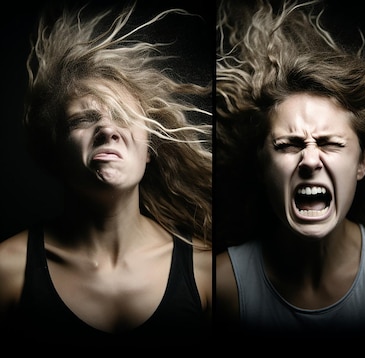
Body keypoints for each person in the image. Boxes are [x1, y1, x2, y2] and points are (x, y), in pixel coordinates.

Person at [0, 1, 212, 347]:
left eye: (124, 117)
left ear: (149, 151)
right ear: (56, 151)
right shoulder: (8, 270)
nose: (107, 130)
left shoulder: (204, 271)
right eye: (83, 119)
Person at [213, 0, 365, 339]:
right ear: (262, 162)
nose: (309, 160)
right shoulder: (221, 287)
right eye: (288, 144)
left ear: (363, 162)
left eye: (330, 143)